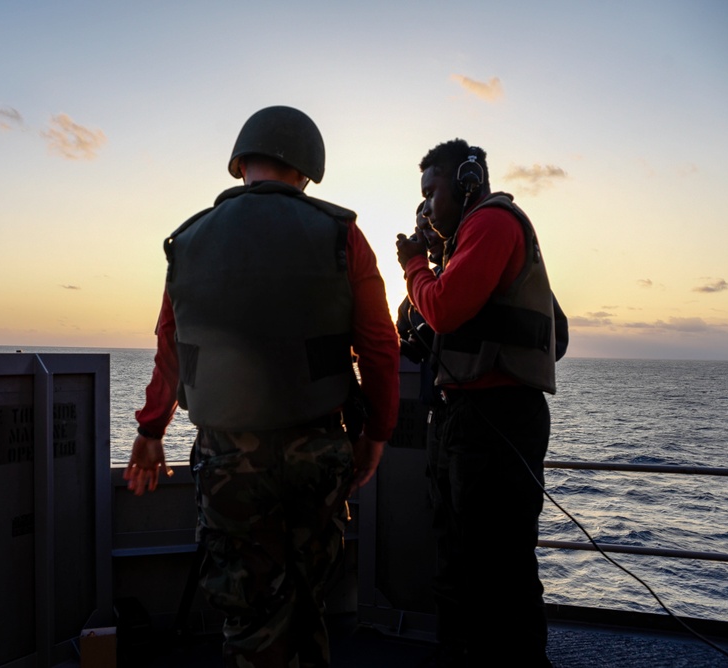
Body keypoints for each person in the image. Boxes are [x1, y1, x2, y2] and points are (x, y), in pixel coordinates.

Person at [127, 105, 400, 667]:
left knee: (249, 613)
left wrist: (152, 430)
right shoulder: (342, 234)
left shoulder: (187, 241)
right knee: (309, 598)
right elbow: (379, 345)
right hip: (318, 452)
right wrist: (376, 434)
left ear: (241, 163)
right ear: (305, 170)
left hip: (228, 458)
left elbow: (171, 346)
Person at [396, 139, 566, 666]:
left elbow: (444, 310)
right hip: (463, 419)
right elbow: (426, 323)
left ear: (468, 181)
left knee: (499, 571)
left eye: (431, 192)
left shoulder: (493, 224)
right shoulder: (463, 245)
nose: (425, 207)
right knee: (457, 565)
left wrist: (414, 265)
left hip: (497, 424)